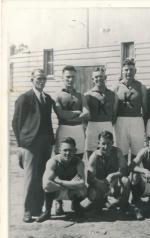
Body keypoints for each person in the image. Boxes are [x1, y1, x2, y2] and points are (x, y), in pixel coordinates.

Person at [12, 69, 55, 223]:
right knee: (30, 177)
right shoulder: (25, 98)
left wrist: (51, 140)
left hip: (45, 142)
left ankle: (38, 208)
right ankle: (28, 211)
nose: (41, 81)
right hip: (30, 144)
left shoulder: (47, 98)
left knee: (42, 176)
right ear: (32, 79)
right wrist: (21, 144)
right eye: (38, 78)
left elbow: (49, 121)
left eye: (44, 78)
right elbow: (16, 122)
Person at [53, 65, 90, 215]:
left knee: (77, 163)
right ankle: (58, 202)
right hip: (64, 130)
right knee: (60, 164)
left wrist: (75, 114)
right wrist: (77, 112)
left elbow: (87, 113)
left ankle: (75, 201)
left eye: (72, 77)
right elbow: (61, 115)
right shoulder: (58, 95)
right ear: (63, 78)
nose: (70, 79)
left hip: (78, 131)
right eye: (67, 77)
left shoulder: (81, 95)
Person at [37, 137, 87, 222]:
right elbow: (46, 184)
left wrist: (60, 181)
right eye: (65, 150)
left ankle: (76, 206)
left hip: (68, 190)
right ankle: (47, 211)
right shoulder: (53, 162)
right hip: (58, 191)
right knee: (47, 187)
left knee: (83, 190)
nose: (68, 153)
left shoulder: (79, 162)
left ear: (75, 150)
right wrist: (70, 184)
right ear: (60, 150)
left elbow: (82, 183)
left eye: (71, 150)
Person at [84, 131, 130, 215]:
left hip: (113, 183)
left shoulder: (117, 152)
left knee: (125, 180)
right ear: (99, 143)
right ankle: (101, 203)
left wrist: (112, 175)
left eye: (109, 143)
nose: (106, 146)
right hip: (100, 185)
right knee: (91, 199)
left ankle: (124, 206)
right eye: (103, 143)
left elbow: (124, 170)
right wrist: (102, 184)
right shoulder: (94, 156)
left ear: (112, 142)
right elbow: (90, 179)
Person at [113, 58, 147, 160]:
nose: (129, 72)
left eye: (131, 70)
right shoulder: (116, 87)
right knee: (121, 151)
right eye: (126, 70)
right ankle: (122, 175)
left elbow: (145, 109)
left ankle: (135, 175)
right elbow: (114, 109)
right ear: (122, 71)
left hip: (137, 121)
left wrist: (144, 126)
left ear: (135, 71)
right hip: (121, 121)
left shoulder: (141, 87)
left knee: (137, 152)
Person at [84, 67, 118, 158]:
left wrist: (108, 123)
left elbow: (114, 113)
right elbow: (85, 117)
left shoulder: (112, 94)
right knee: (91, 152)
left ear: (105, 77)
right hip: (92, 125)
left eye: (101, 77)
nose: (99, 79)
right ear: (92, 79)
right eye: (96, 77)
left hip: (107, 124)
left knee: (108, 151)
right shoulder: (87, 95)